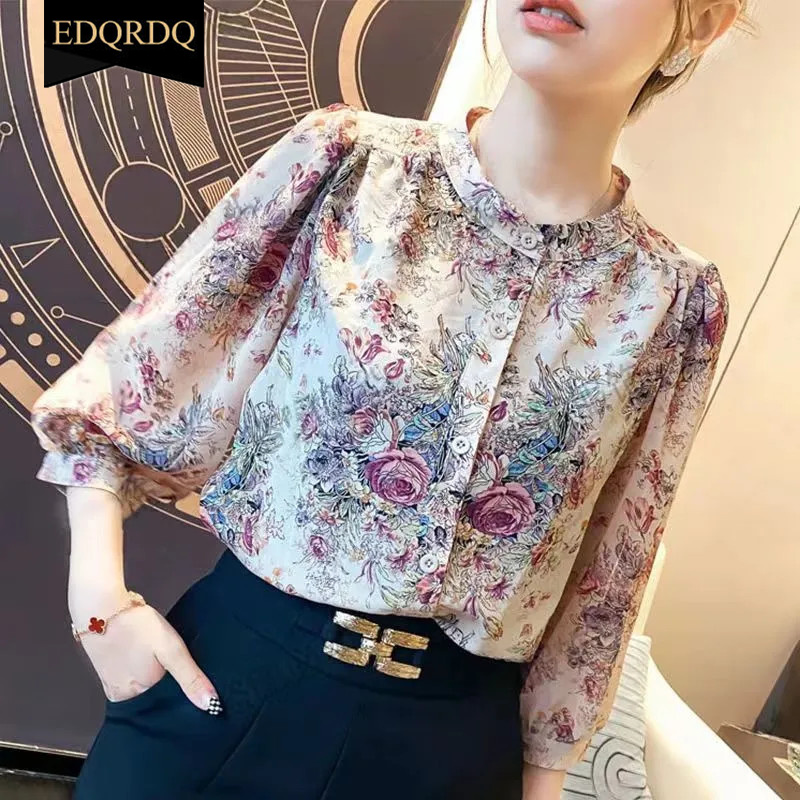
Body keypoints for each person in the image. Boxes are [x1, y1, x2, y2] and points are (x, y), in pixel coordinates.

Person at [30, 0, 746, 797]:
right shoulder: (349, 164)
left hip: (449, 752)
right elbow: (133, 381)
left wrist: (543, 777)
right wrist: (99, 607)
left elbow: (610, 571)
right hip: (227, 695)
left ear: (705, 20)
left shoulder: (671, 300)